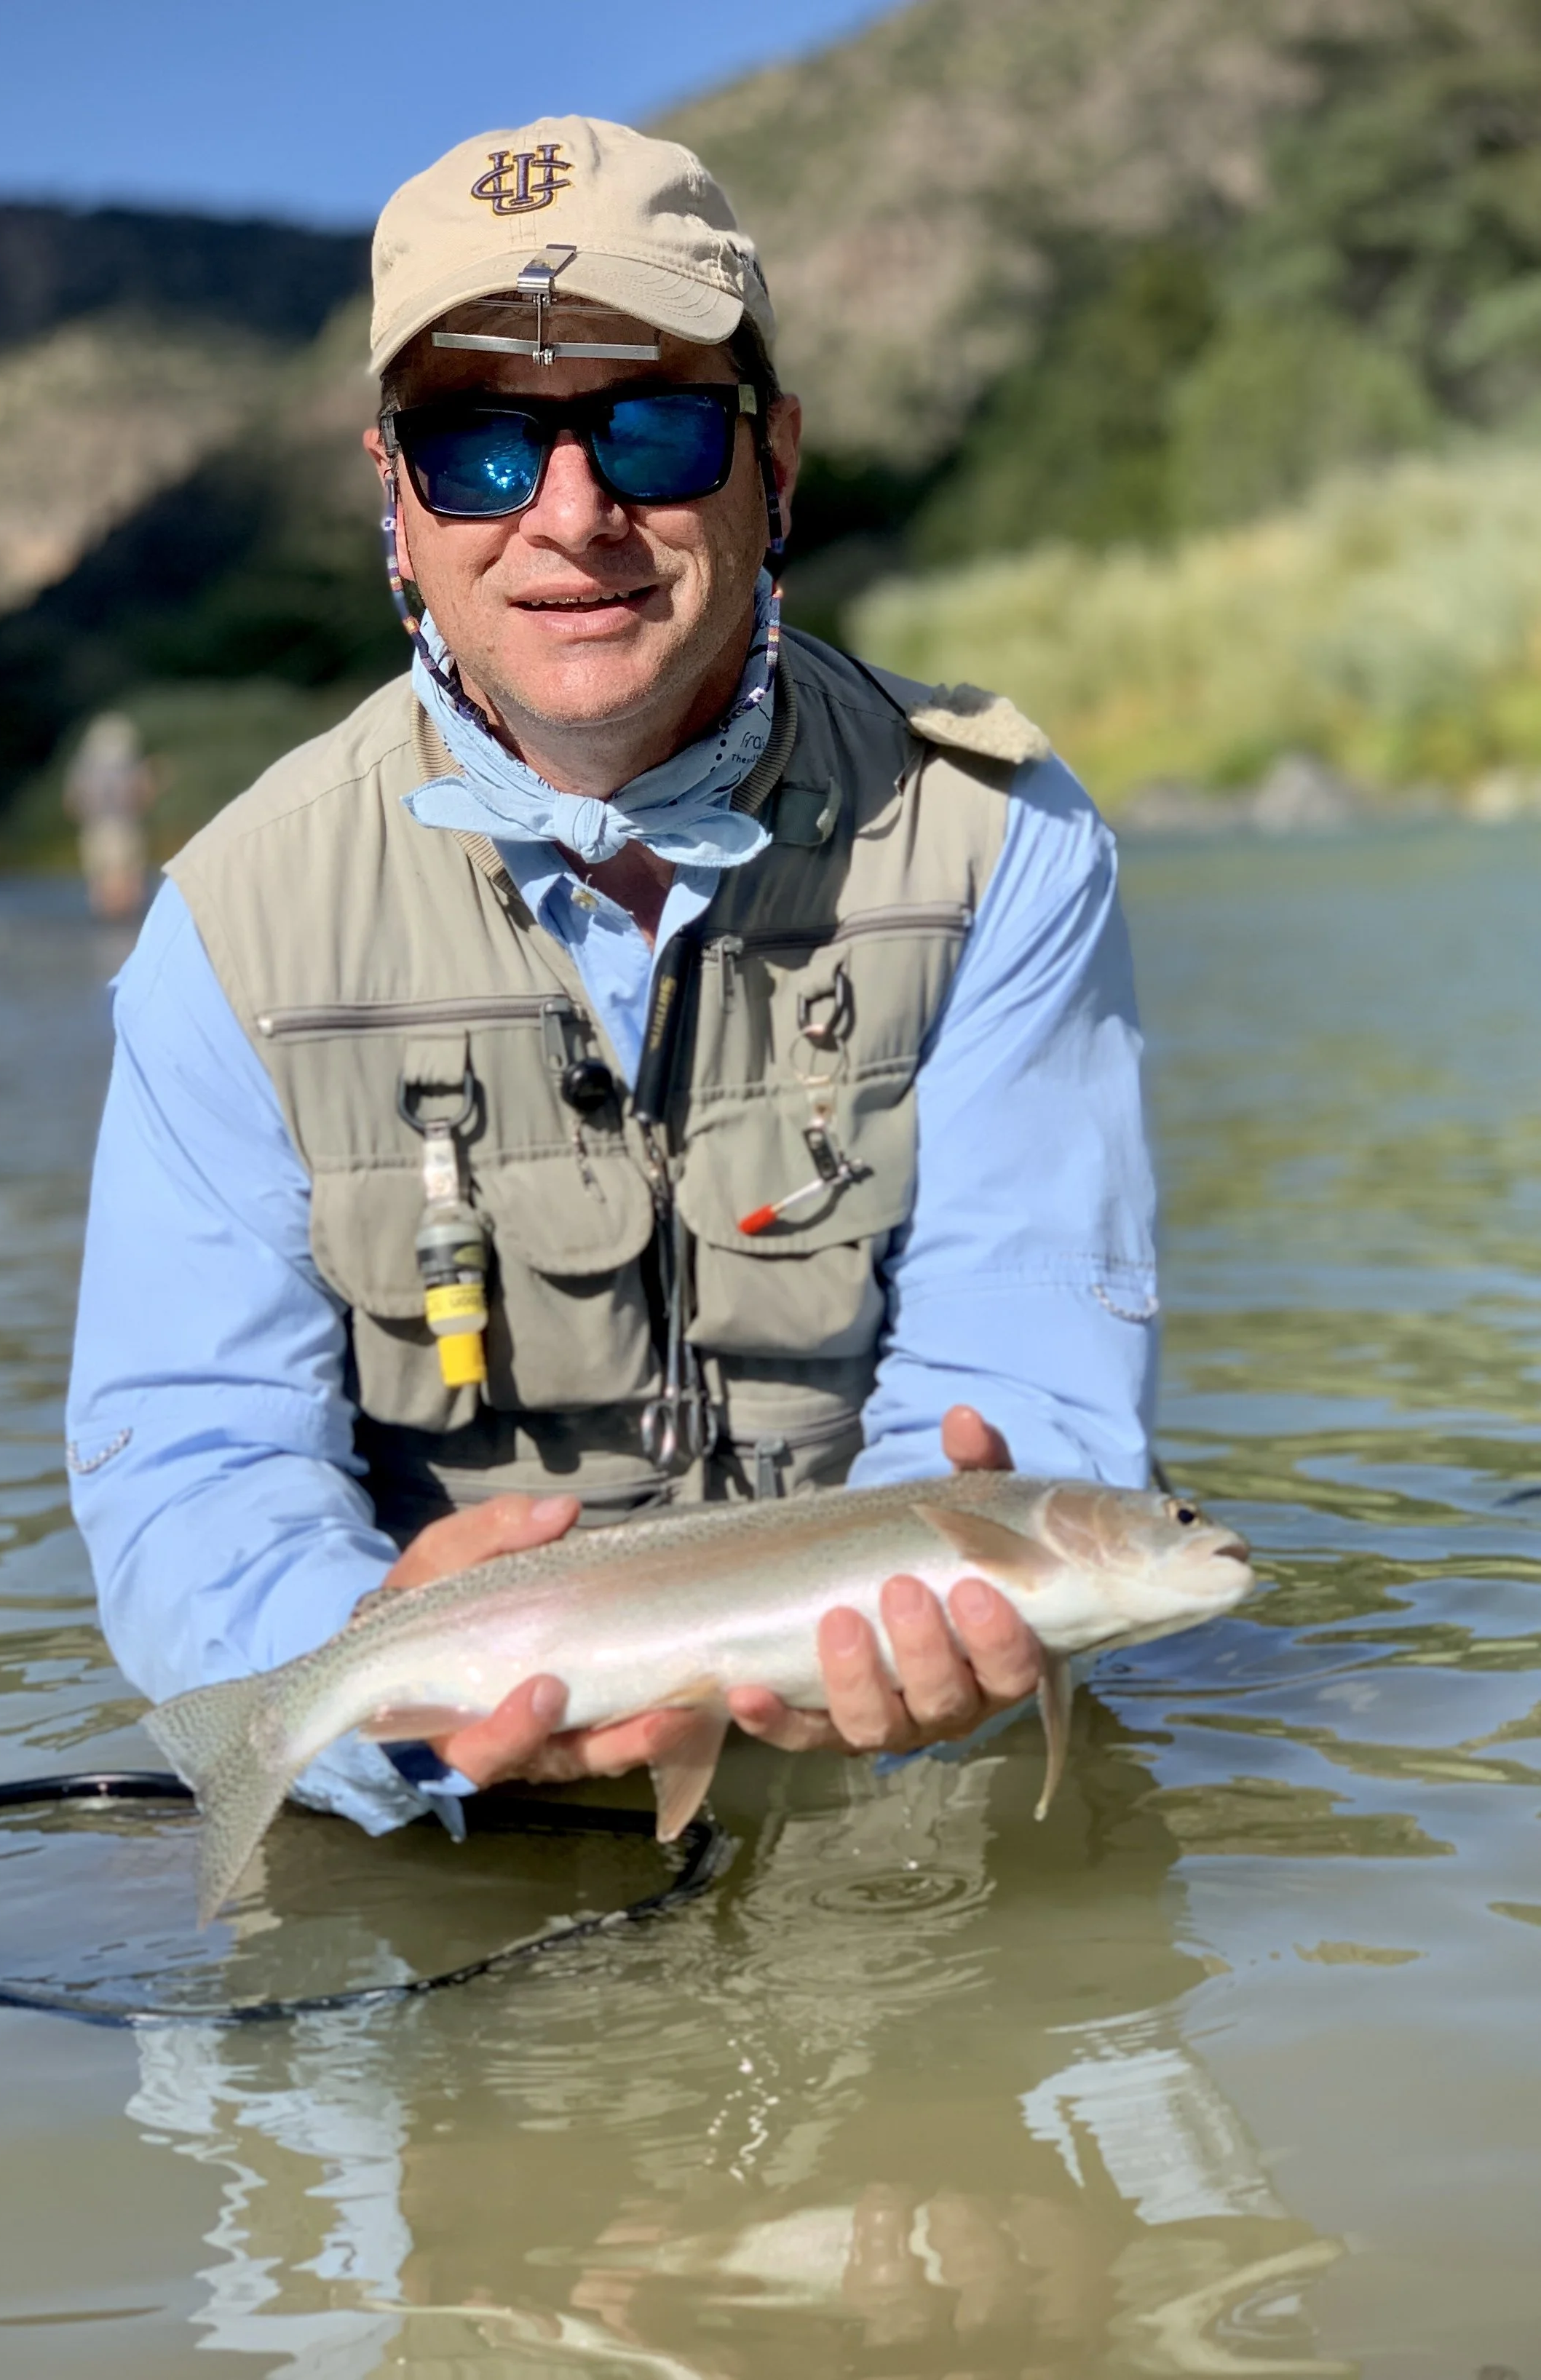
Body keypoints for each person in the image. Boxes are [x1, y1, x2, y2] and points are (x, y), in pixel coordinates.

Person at [66, 116, 1157, 1841]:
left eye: (649, 430)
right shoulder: (231, 931)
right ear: (395, 501)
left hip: (883, 1754)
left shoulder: (998, 845)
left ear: (774, 463)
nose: (571, 517)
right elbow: (192, 1456)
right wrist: (361, 1689)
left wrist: (913, 1647)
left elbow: (1024, 1364)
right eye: (478, 451)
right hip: (446, 1797)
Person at [63, 710, 156, 920]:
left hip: (96, 829)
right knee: (126, 876)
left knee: (103, 878)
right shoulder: (129, 765)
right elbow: (142, 797)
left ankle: (109, 916)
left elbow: (71, 802)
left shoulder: (84, 767)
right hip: (124, 827)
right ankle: (124, 916)